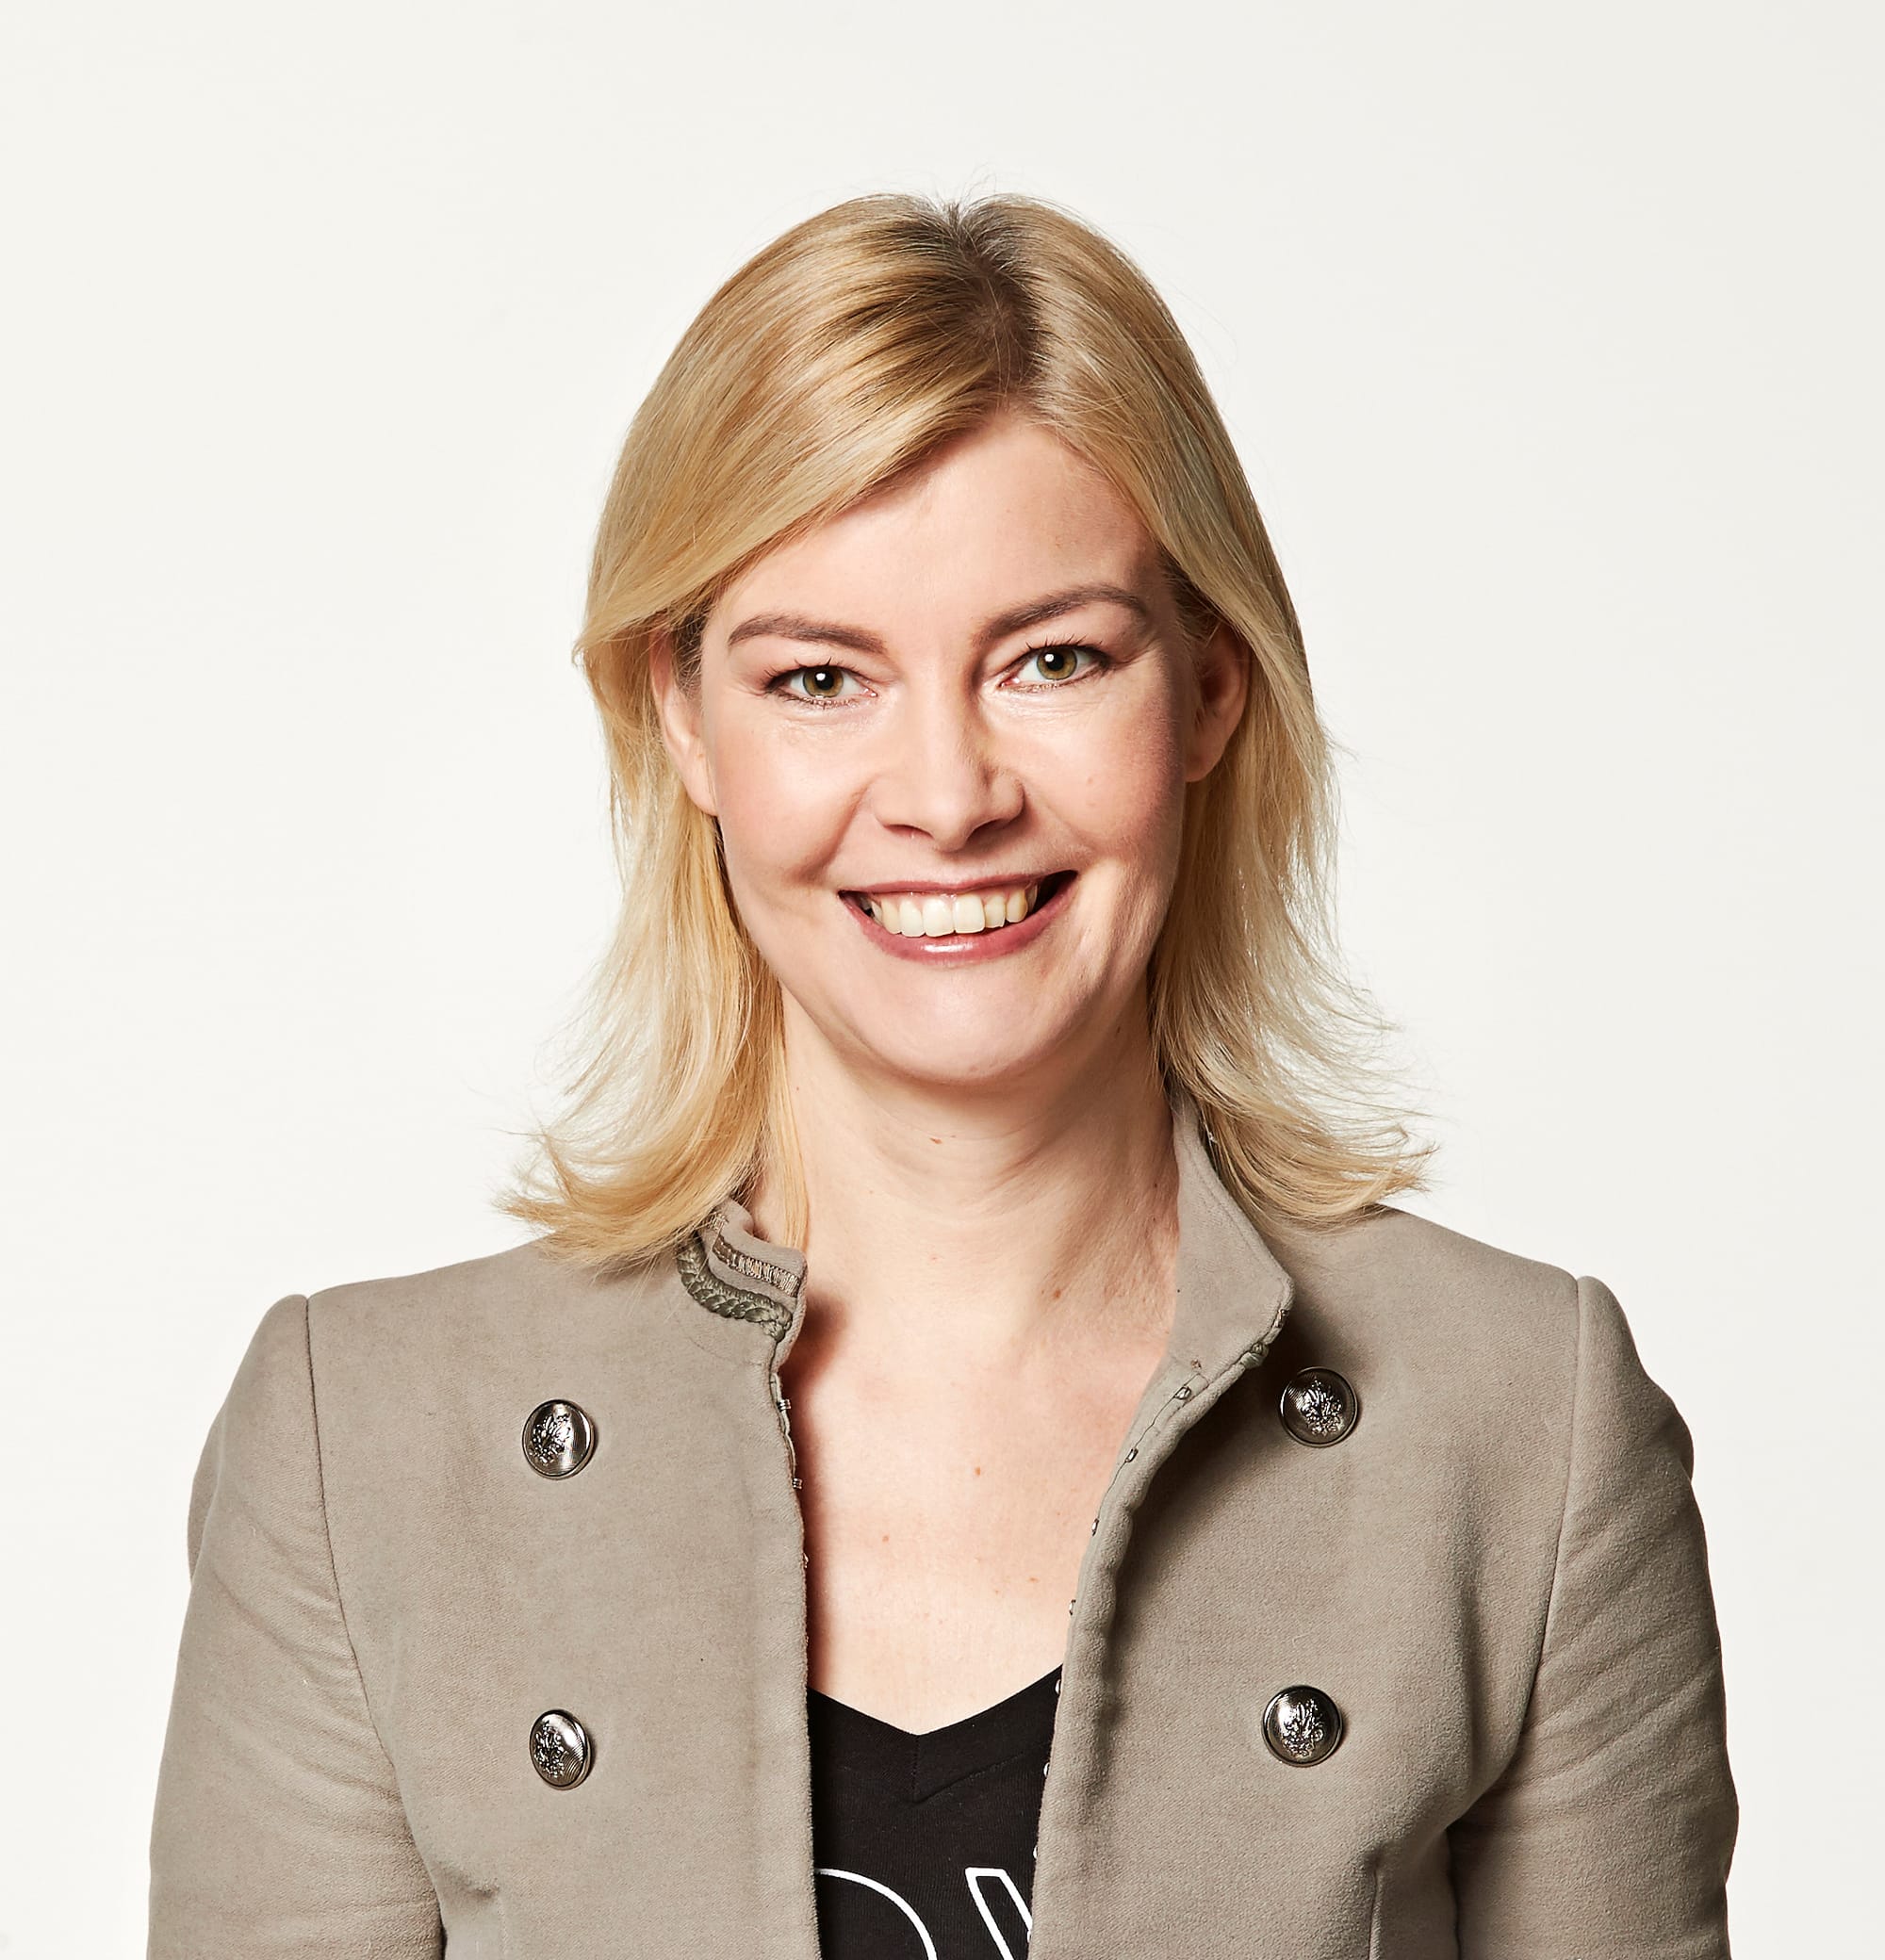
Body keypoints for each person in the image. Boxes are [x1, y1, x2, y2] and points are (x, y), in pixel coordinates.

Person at [148, 192, 1737, 1959]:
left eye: (1053, 659)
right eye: (821, 677)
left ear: (1211, 687)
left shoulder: (1524, 1426)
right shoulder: (361, 1444)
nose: (947, 796)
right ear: (682, 718)